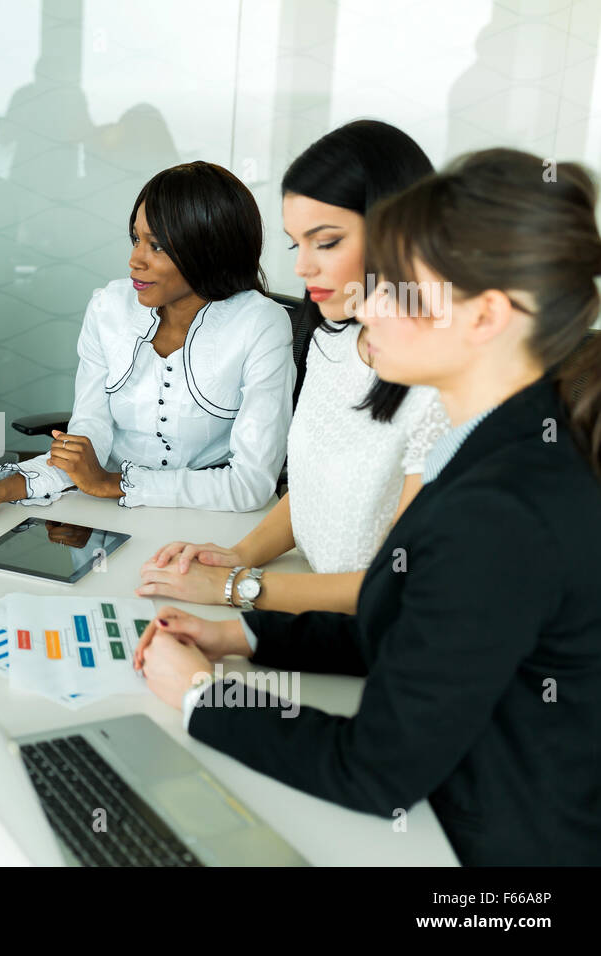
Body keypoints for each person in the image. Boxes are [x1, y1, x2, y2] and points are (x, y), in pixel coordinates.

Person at [134, 148, 601, 865]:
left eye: (400, 289)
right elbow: (417, 631)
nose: (369, 304)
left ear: (486, 317)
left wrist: (202, 696)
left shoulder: (504, 508)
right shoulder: (485, 448)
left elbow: (375, 770)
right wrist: (246, 639)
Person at [138, 121, 450, 614]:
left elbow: (395, 583)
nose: (302, 268)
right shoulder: (334, 334)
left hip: (372, 629)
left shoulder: (447, 382)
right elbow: (312, 486)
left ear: (399, 231)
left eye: (325, 242)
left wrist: (238, 588)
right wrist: (238, 555)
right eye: (294, 244)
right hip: (305, 594)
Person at [0, 161, 294, 536]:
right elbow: (89, 434)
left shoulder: (261, 324)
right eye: (136, 239)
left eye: (157, 246)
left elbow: (251, 483)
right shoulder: (110, 308)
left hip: (215, 527)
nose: (134, 260)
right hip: (105, 518)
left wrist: (113, 483)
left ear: (208, 249)